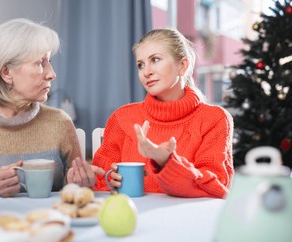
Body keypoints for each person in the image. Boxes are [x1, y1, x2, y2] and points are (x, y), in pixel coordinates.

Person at [0, 18, 99, 199]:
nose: (52, 74)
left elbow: (75, 197)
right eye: (40, 63)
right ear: (7, 72)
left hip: (46, 225)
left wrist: (79, 185)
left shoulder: (59, 123)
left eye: (49, 61)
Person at [92, 28, 234, 198]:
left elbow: (215, 189)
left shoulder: (215, 119)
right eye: (141, 65)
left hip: (189, 221)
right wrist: (109, 181)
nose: (146, 72)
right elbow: (100, 180)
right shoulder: (122, 118)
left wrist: (166, 162)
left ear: (182, 66)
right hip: (132, 220)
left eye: (155, 59)